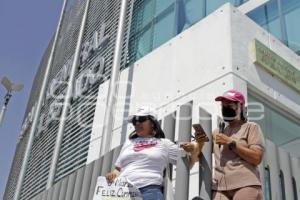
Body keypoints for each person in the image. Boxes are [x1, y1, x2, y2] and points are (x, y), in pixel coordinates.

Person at [106, 106, 207, 200]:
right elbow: (118, 169)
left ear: (152, 123)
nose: (137, 124)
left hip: (149, 191)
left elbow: (188, 163)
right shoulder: (128, 143)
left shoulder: (164, 143)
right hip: (122, 191)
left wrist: (198, 145)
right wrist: (112, 175)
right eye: (134, 121)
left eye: (141, 120)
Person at [212, 89, 264, 200]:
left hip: (245, 184)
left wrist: (230, 143)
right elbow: (200, 151)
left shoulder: (251, 127)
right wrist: (193, 146)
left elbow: (257, 157)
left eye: (229, 105)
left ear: (240, 107)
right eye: (223, 105)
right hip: (220, 188)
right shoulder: (217, 132)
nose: (225, 108)